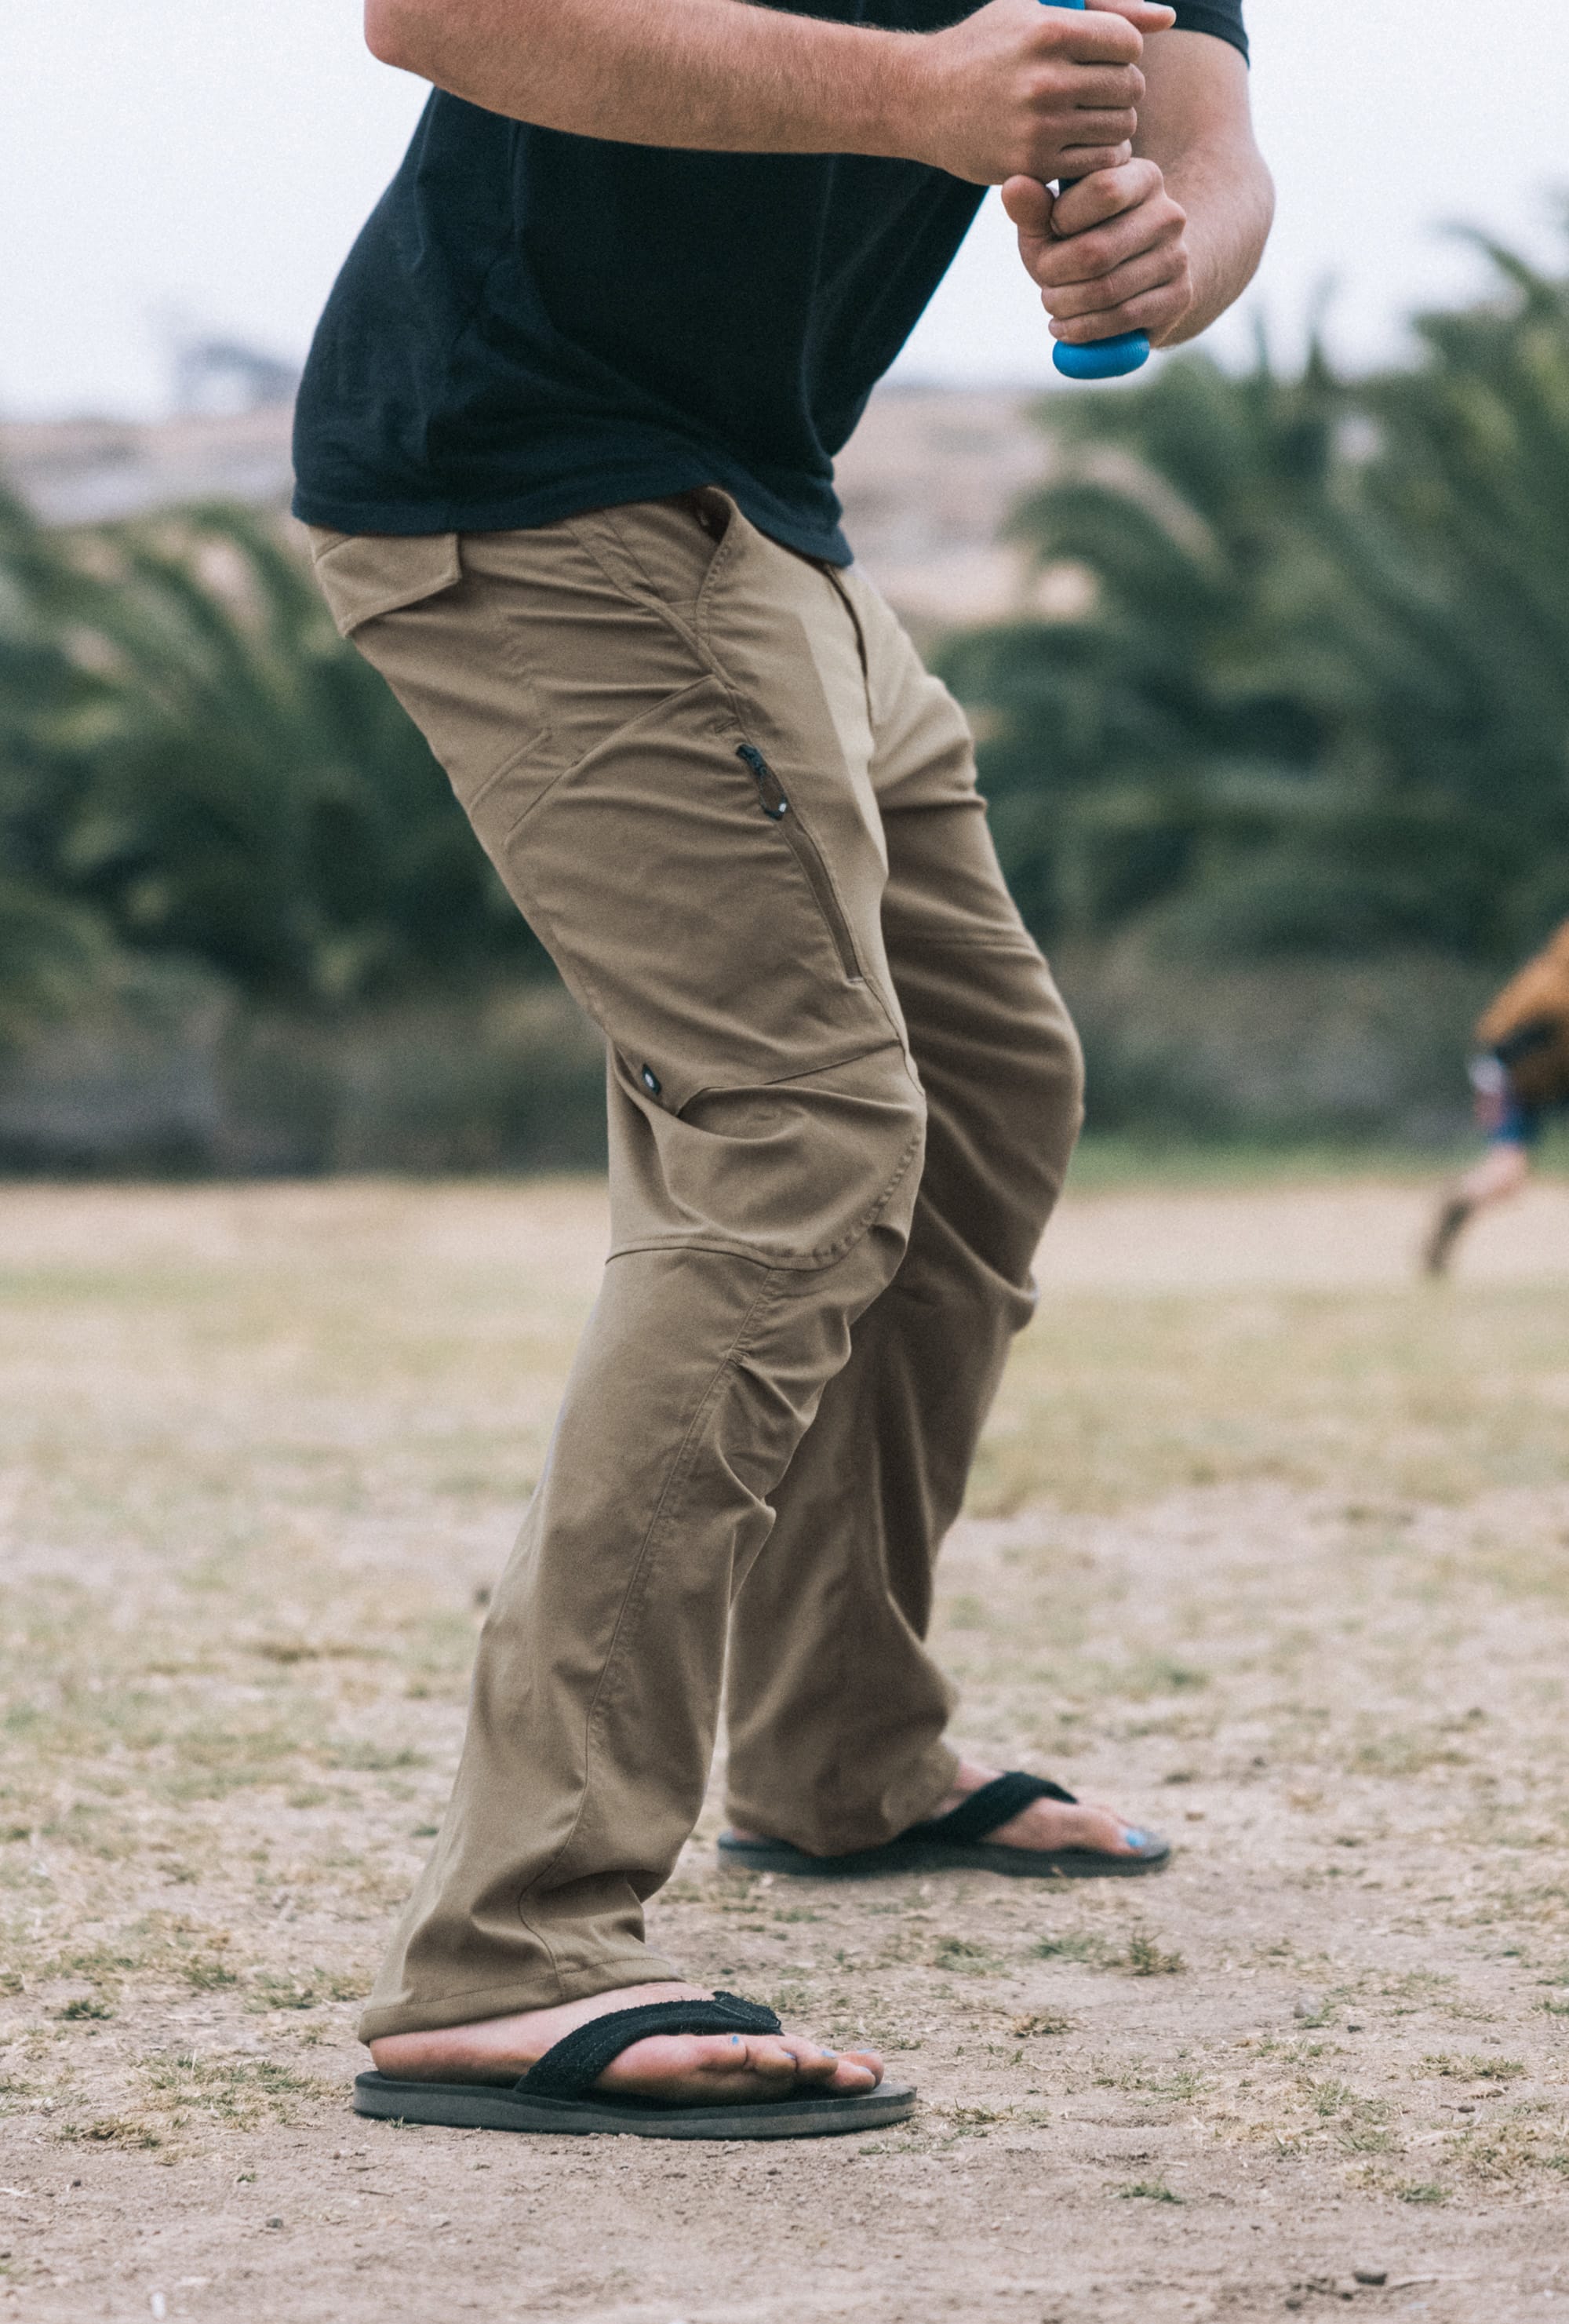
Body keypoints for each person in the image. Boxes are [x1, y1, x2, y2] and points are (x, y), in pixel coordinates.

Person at [293, 0, 1272, 2139]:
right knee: (803, 1137)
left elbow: (1212, 128)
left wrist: (1172, 247)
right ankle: (510, 1943)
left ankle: (840, 1751)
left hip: (765, 515)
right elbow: (433, 12)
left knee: (985, 1085)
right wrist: (926, 100)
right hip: (529, 477)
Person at [1424, 920, 1569, 1277]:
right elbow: (1496, 1052)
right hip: (1515, 1082)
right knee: (1506, 1178)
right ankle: (1458, 1203)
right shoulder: (1550, 997)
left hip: (1560, 1079)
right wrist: (1495, 1098)